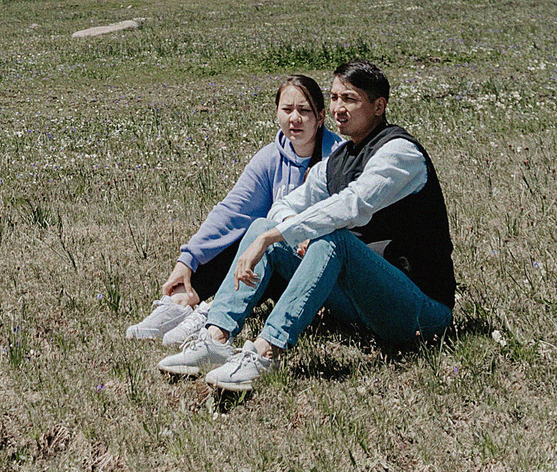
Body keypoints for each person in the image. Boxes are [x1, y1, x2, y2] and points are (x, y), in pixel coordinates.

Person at [156, 59, 454, 391]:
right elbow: (288, 205)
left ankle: (266, 352)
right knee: (259, 225)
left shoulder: (399, 153)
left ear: (379, 106)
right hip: (362, 309)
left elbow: (352, 205)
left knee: (331, 240)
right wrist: (271, 232)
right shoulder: (338, 161)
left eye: (350, 99)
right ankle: (216, 338)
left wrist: (276, 235)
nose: (339, 108)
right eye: (335, 97)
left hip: (420, 312)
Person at [124, 74, 330, 345]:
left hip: (313, 269)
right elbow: (232, 212)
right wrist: (188, 260)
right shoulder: (270, 157)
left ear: (322, 117)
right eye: (287, 109)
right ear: (276, 112)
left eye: (305, 111)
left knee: (264, 238)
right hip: (274, 259)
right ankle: (181, 302)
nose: (295, 119)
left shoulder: (335, 157)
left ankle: (212, 312)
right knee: (239, 235)